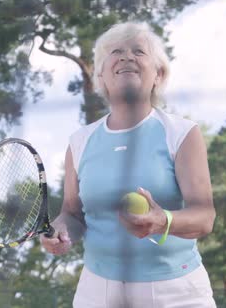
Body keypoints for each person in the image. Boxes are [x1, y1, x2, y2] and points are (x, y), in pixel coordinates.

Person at [40, 21, 216, 308]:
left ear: (158, 74)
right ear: (101, 76)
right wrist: (61, 232)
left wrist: (162, 222)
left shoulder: (182, 133)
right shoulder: (79, 142)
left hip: (177, 292)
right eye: (116, 52)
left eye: (139, 51)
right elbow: (72, 214)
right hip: (97, 292)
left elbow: (205, 217)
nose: (126, 56)